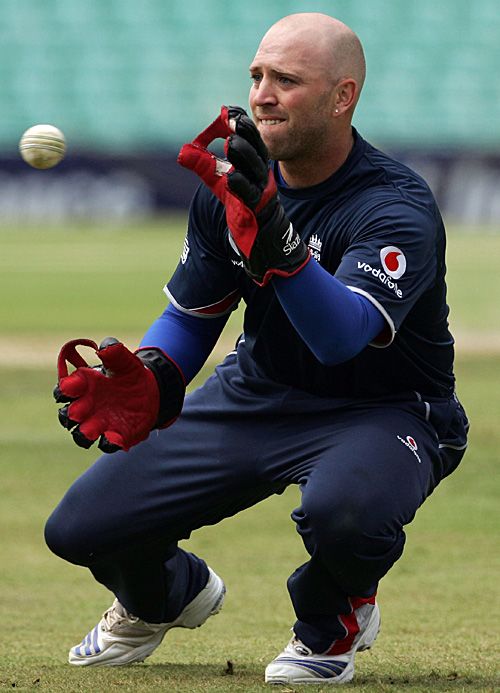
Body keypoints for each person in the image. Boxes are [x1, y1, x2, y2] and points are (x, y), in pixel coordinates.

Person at [44, 12, 469, 686]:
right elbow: (191, 315)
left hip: (384, 408)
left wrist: (278, 244)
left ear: (342, 96)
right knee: (80, 526)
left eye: (287, 80)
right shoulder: (233, 189)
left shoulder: (395, 204)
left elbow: (341, 338)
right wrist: (154, 376)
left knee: (344, 512)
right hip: (258, 392)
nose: (263, 93)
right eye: (257, 76)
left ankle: (336, 613)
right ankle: (165, 594)